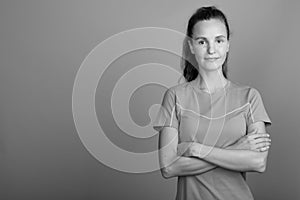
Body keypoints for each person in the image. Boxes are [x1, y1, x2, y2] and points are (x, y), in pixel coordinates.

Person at [153, 6, 272, 200]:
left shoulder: (250, 97)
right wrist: (236, 150)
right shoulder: (174, 97)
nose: (211, 50)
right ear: (191, 46)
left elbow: (258, 162)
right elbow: (168, 167)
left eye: (219, 40)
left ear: (227, 45)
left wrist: (196, 150)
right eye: (202, 42)